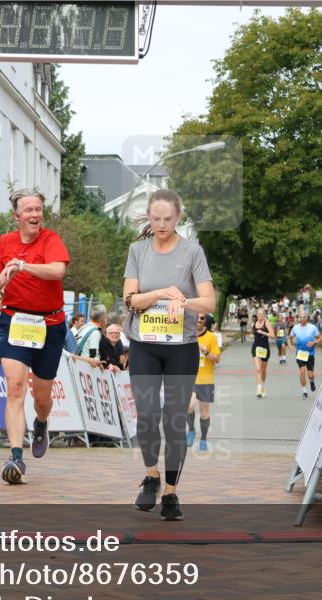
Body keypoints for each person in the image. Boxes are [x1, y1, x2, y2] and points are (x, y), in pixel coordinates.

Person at [124, 189, 215, 521]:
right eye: (156, 218)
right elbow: (130, 300)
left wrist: (185, 302)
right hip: (144, 344)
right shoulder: (137, 250)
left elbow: (208, 302)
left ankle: (172, 493)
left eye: (168, 219)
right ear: (148, 217)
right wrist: (160, 293)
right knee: (147, 415)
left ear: (178, 218)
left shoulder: (192, 252)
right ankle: (151, 475)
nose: (161, 224)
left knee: (174, 420)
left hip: (181, 347)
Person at [0, 189, 70, 484]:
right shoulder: (5, 243)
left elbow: (57, 271)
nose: (35, 215)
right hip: (15, 320)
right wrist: (1, 278)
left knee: (42, 398)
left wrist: (23, 266)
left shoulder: (51, 240)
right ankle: (16, 458)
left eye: (38, 210)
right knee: (15, 387)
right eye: (29, 210)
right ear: (16, 216)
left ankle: (42, 422)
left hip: (50, 323)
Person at [187, 313, 221, 452]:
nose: (199, 320)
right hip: (189, 379)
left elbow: (217, 359)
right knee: (189, 407)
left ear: (205, 321)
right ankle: (191, 430)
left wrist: (206, 353)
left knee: (204, 413)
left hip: (206, 380)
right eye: (197, 317)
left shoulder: (211, 337)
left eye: (202, 318)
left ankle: (203, 439)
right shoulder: (187, 336)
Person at [289, 311, 319, 399]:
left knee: (310, 375)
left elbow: (319, 338)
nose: (302, 318)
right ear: (298, 318)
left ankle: (312, 381)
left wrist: (313, 342)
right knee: (302, 372)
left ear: (307, 318)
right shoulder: (295, 328)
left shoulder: (313, 328)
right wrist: (290, 345)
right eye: (300, 317)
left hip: (310, 354)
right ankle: (304, 392)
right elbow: (289, 338)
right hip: (300, 353)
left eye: (304, 317)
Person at [251, 306, 276, 398]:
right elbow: (252, 332)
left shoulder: (267, 323)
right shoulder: (254, 323)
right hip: (256, 348)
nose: (260, 316)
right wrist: (251, 335)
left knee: (263, 371)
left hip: (265, 349)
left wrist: (264, 333)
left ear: (264, 315)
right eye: (259, 314)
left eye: (262, 314)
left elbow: (273, 336)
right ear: (257, 315)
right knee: (258, 369)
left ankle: (263, 386)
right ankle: (258, 389)